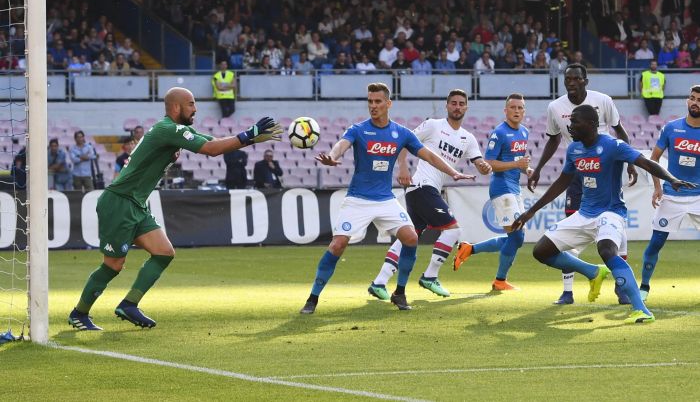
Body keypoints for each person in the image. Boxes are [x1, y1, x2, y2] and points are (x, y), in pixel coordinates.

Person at [68, 87, 282, 331]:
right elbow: (211, 150)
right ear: (176, 107)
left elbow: (212, 143)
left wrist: (252, 139)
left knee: (164, 253)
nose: (196, 108)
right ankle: (79, 313)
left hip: (136, 203)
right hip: (119, 201)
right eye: (191, 104)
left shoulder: (178, 130)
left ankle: (129, 304)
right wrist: (249, 133)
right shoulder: (167, 129)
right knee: (114, 265)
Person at [299, 83, 475, 314]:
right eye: (370, 102)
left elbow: (428, 155)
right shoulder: (358, 129)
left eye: (378, 102)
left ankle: (399, 293)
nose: (373, 106)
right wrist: (332, 157)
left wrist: (453, 172)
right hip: (358, 199)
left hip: (385, 199)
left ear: (388, 104)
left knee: (411, 237)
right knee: (338, 244)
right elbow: (342, 145)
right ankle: (313, 298)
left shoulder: (401, 133)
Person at [512, 105, 695, 324]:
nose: (570, 127)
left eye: (575, 122)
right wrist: (531, 211)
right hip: (584, 213)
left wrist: (671, 179)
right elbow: (563, 181)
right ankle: (593, 272)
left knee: (606, 249)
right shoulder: (574, 150)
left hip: (611, 212)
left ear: (590, 124)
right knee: (541, 251)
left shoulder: (612, 145)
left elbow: (646, 162)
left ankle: (641, 310)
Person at [527, 63, 637, 305]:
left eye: (576, 78)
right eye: (568, 79)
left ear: (585, 80)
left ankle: (622, 286)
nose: (572, 82)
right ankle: (568, 291)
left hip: (605, 169)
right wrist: (539, 168)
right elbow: (554, 140)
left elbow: (620, 131)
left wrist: (630, 163)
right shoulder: (555, 107)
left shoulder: (604, 100)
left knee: (614, 226)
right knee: (568, 228)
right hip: (576, 174)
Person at [368, 90, 492, 299]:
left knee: (410, 237)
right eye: (453, 103)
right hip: (422, 186)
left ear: (466, 108)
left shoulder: (468, 138)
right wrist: (403, 168)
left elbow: (478, 161)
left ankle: (379, 282)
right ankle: (430, 276)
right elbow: (405, 142)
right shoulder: (434, 125)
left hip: (423, 190)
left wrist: (484, 166)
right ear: (447, 105)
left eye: (461, 103)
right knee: (453, 231)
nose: (457, 107)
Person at [453, 94, 531, 290]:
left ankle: (470, 249)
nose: (516, 111)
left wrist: (526, 169)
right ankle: (499, 281)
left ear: (524, 111)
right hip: (502, 188)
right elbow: (489, 163)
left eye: (520, 107)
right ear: (505, 111)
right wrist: (516, 164)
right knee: (517, 237)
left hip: (515, 188)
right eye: (512, 107)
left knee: (516, 238)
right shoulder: (499, 133)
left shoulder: (524, 132)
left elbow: (517, 161)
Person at [639, 86, 700, 301]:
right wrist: (657, 187)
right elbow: (652, 160)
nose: (695, 103)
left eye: (699, 100)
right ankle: (644, 288)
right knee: (656, 242)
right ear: (687, 100)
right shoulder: (671, 128)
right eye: (692, 98)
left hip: (699, 197)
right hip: (672, 195)